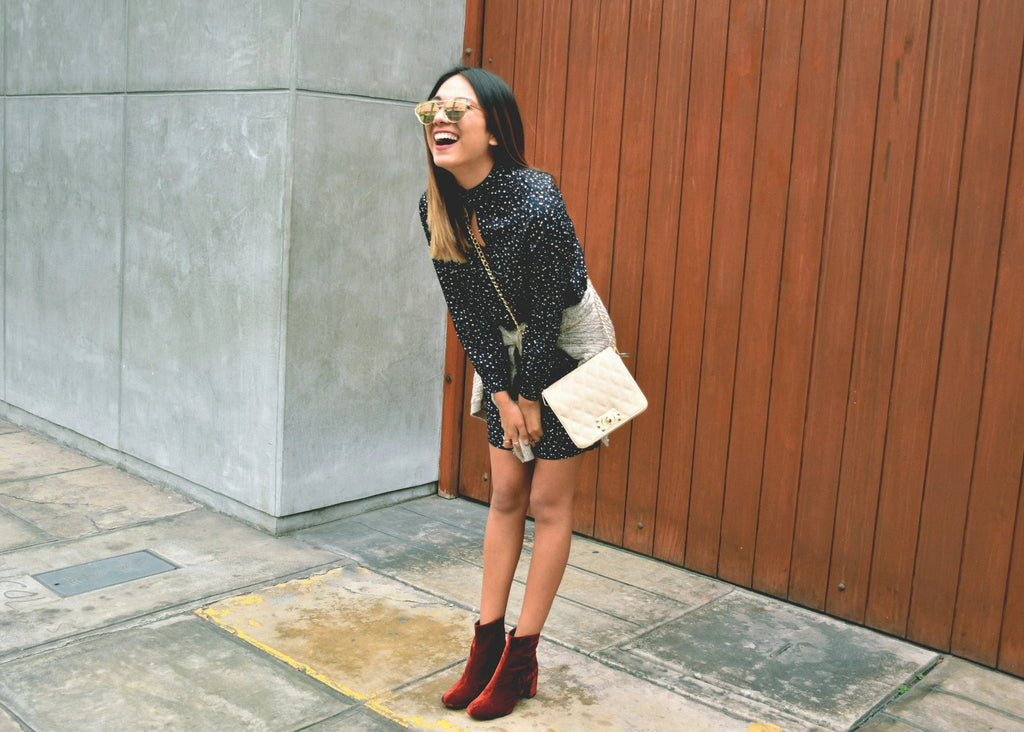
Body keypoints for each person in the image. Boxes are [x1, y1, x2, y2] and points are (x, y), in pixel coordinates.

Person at [415, 66, 598, 721]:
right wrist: (500, 390)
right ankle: (485, 645)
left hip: (571, 347)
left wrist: (528, 394)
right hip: (502, 350)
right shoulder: (436, 206)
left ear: (493, 130)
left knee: (548, 502)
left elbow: (550, 310)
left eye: (459, 109)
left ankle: (522, 656)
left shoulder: (535, 197)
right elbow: (466, 313)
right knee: (506, 496)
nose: (442, 118)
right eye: (435, 108)